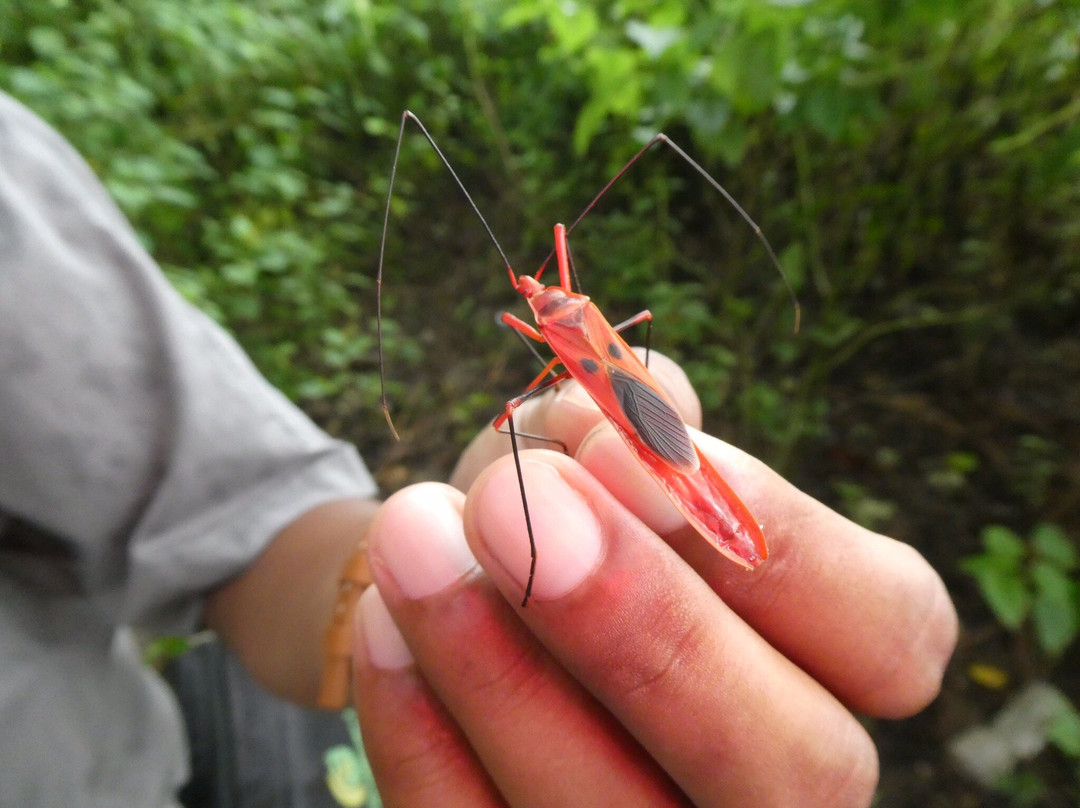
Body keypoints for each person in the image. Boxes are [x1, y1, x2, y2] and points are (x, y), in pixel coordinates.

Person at [0, 88, 958, 807]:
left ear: (544, 302)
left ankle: (627, 481)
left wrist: (524, 444)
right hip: (595, 380)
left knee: (628, 404)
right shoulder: (553, 326)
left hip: (606, 396)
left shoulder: (560, 320)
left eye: (540, 295)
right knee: (618, 400)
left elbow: (248, 534)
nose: (538, 298)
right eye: (540, 301)